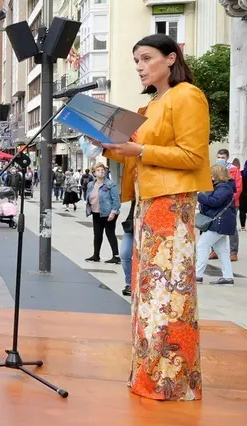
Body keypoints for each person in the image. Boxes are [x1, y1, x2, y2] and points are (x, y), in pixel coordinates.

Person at [101, 33, 210, 402]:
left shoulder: (187, 96)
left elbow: (194, 156)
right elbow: (138, 156)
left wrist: (140, 148)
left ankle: (172, 381)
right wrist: (113, 148)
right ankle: (151, 376)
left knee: (169, 293)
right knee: (148, 293)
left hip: (173, 202)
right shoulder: (150, 107)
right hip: (149, 203)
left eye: (146, 58)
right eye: (136, 62)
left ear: (171, 57)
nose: (140, 67)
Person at [194, 164, 236, 285]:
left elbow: (214, 202)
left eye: (211, 174)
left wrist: (198, 195)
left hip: (218, 223)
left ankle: (197, 275)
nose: (210, 176)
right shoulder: (224, 187)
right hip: (222, 223)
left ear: (217, 175)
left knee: (202, 245)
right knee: (222, 250)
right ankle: (228, 277)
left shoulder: (223, 187)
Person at [83, 164, 121, 264]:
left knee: (110, 234)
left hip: (108, 213)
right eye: (98, 170)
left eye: (103, 170)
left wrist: (113, 212)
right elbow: (88, 196)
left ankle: (116, 256)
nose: (101, 172)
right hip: (96, 213)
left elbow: (116, 200)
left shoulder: (110, 184)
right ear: (94, 173)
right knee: (97, 234)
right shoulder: (91, 184)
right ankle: (96, 255)